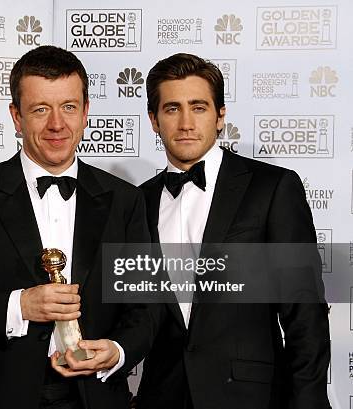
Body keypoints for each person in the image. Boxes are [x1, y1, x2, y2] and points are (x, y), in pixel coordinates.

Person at [0, 45, 156, 409]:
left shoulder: (124, 201)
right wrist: (20, 306)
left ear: (86, 111)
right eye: (40, 109)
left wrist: (117, 350)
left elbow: (145, 307)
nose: (57, 124)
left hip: (96, 396)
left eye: (69, 107)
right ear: (16, 117)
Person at [136, 53, 331, 409]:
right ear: (153, 120)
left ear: (220, 115)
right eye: (171, 108)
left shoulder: (272, 188)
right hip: (163, 395)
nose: (185, 123)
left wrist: (309, 402)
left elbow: (305, 313)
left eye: (198, 107)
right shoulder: (137, 202)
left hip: (250, 395)